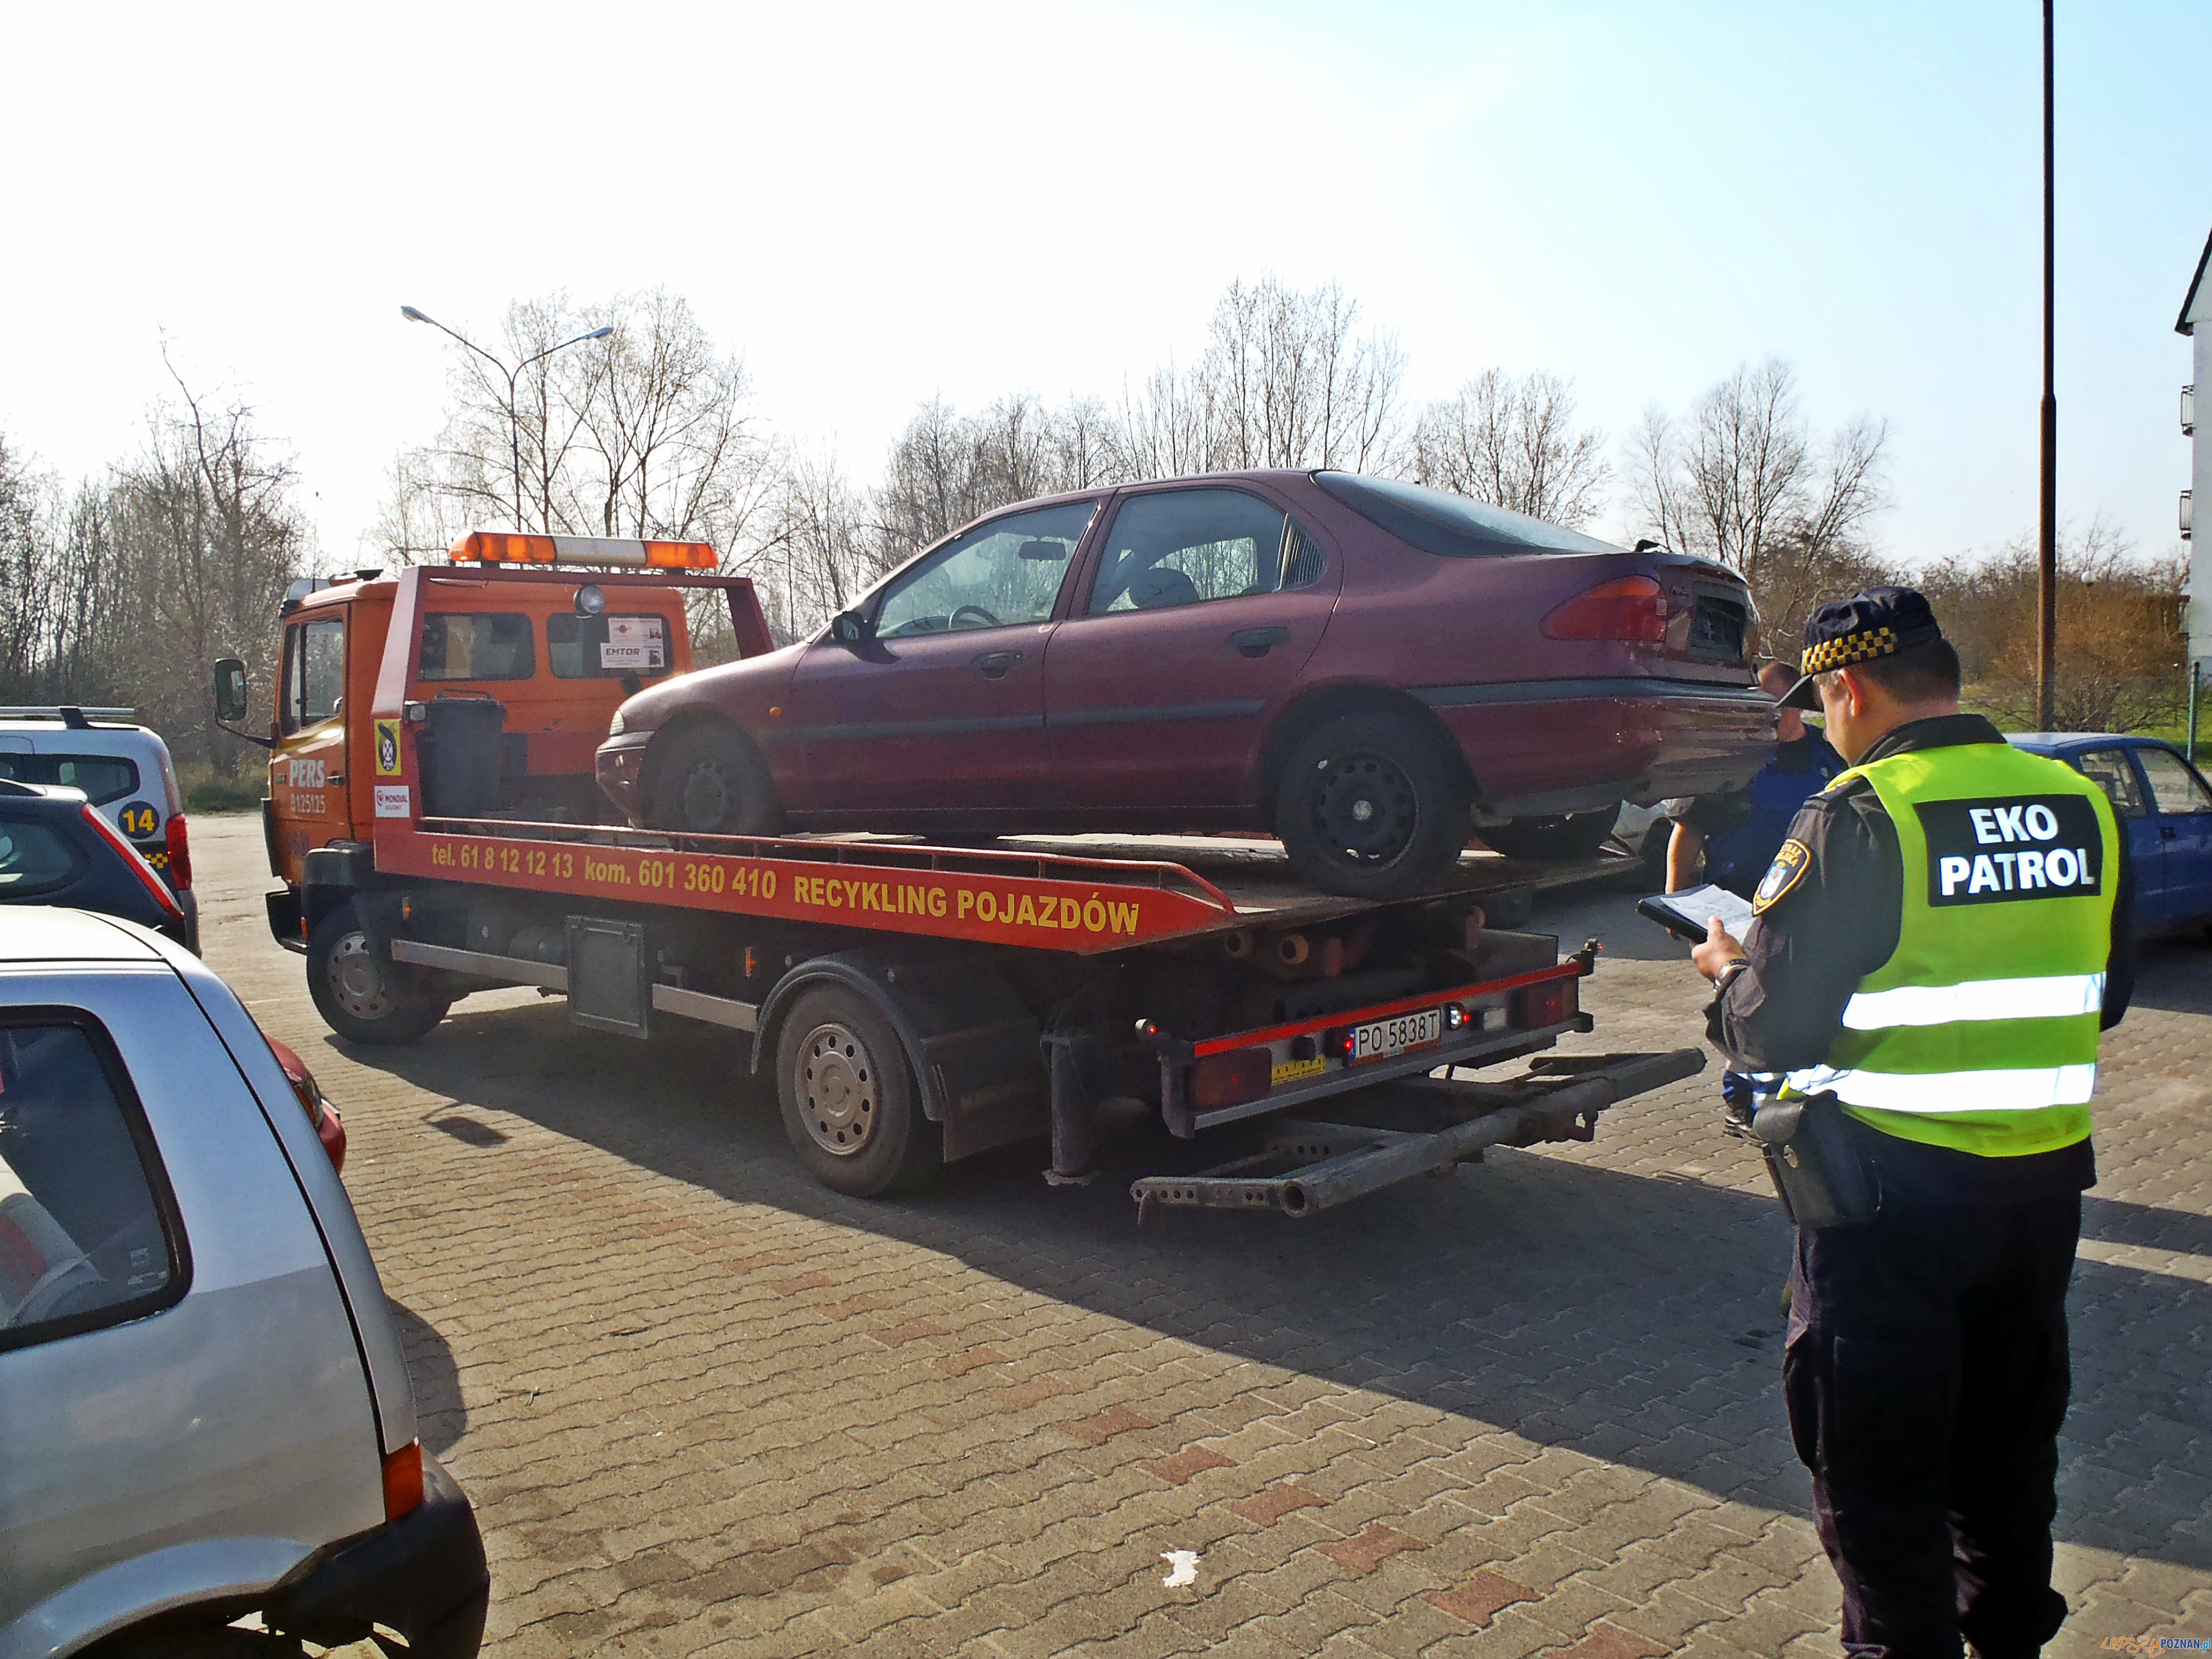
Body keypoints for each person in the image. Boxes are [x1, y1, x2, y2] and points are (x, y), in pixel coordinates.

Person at [1687, 586, 2133, 1659]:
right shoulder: (2078, 800)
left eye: (1820, 701)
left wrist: (1726, 971)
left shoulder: (1860, 814)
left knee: (1881, 1488)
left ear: (1844, 688)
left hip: (1887, 1210)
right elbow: (2103, 994)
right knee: (2006, 1460)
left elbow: (1772, 1036)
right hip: (2036, 1201)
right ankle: (2009, 1640)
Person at [1666, 659, 1846, 896]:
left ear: (1798, 705)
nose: (1766, 716)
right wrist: (1675, 895)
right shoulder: (1731, 757)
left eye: (1776, 707)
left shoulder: (1831, 754)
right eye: (1757, 707)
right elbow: (1689, 829)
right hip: (1733, 900)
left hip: (1807, 902)